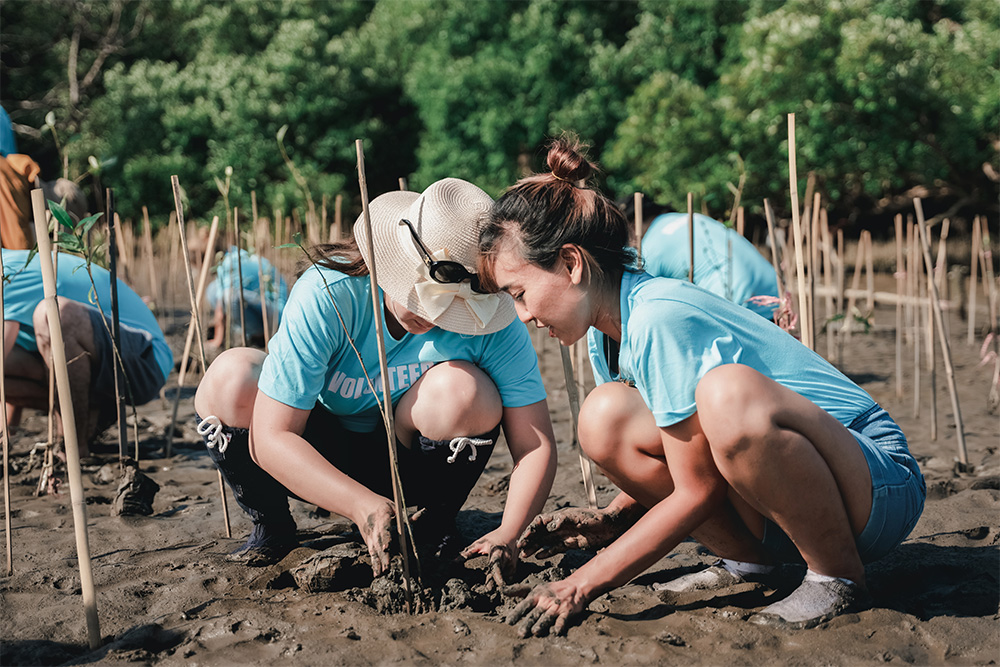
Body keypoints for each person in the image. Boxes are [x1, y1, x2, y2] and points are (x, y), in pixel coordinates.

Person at [477, 138, 925, 634]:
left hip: (876, 485)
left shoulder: (658, 315)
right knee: (604, 418)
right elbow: (688, 452)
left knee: (726, 394)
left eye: (520, 294)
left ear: (571, 263)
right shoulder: (605, 334)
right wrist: (611, 518)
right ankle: (750, 563)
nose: (524, 316)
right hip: (787, 500)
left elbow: (698, 491)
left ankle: (836, 574)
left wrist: (581, 584)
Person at [193, 178, 557, 581]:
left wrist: (509, 532)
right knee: (230, 377)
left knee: (465, 390)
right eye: (432, 293)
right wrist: (358, 504)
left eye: (457, 305)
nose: (436, 317)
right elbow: (270, 436)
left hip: (408, 462)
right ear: (393, 259)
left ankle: (434, 525)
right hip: (318, 454)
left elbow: (535, 445)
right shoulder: (330, 293)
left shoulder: (492, 322)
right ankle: (273, 527)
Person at [2, 248, 173, 456]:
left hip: (145, 360)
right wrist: (7, 434)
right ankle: (96, 410)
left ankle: (73, 447)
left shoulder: (6, 271)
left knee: (52, 315)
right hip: (99, 369)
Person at [641, 211, 780, 319]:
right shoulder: (690, 217)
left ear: (632, 224)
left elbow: (641, 298)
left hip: (734, 308)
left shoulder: (650, 245)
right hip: (774, 297)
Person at [205, 245, 288, 348]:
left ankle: (258, 336)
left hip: (275, 318)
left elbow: (220, 308)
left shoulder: (229, 263)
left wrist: (217, 340)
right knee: (214, 288)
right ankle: (244, 329)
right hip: (274, 309)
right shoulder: (241, 255)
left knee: (228, 295)